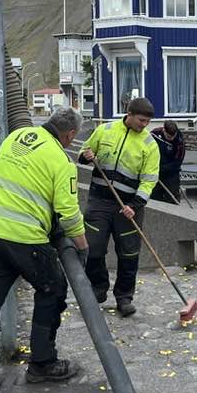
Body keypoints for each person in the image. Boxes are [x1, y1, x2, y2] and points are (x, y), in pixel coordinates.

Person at [0, 107, 88, 393]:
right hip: (24, 238)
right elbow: (68, 213)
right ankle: (42, 363)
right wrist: (83, 248)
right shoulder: (61, 159)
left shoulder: (16, 136)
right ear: (70, 135)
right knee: (53, 288)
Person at [78, 97, 160, 317]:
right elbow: (84, 155)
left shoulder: (149, 144)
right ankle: (98, 288)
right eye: (142, 120)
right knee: (92, 247)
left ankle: (124, 298)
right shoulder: (104, 130)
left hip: (128, 207)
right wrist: (86, 156)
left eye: (147, 122)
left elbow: (149, 180)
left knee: (129, 253)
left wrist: (135, 204)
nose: (145, 125)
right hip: (99, 201)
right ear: (129, 114)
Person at [150, 121, 186, 204]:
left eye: (173, 136)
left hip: (171, 173)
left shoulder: (179, 142)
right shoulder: (154, 134)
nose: (171, 139)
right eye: (169, 137)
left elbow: (177, 162)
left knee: (172, 199)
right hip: (155, 171)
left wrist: (162, 169)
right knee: (154, 196)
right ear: (164, 130)